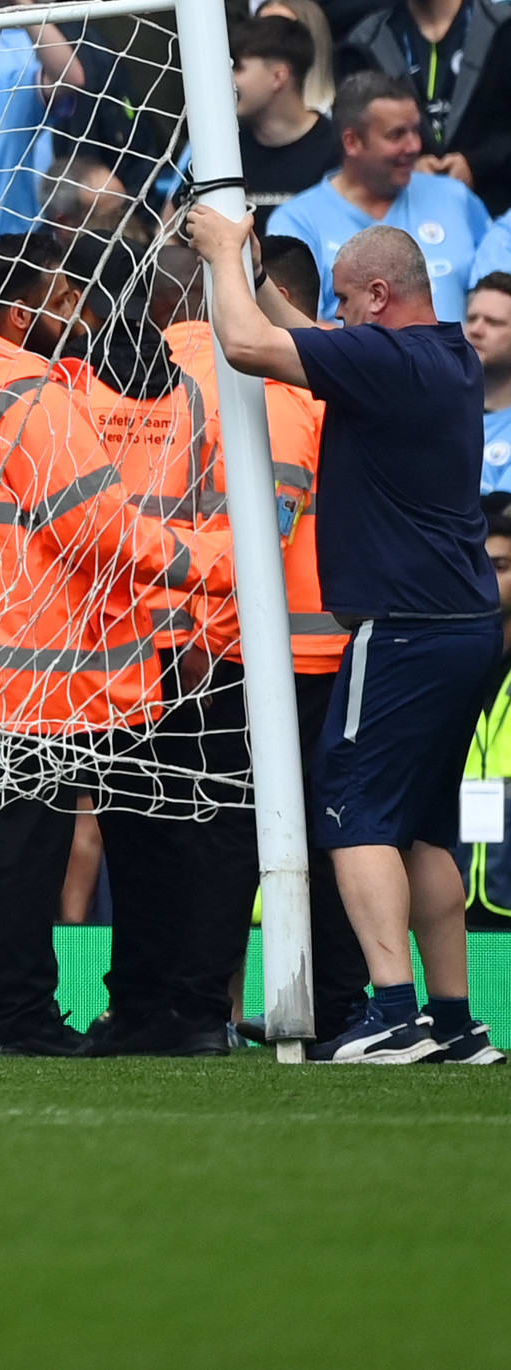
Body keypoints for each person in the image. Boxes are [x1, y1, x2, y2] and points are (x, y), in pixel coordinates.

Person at [184, 198, 506, 1061]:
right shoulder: (444, 355)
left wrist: (218, 252)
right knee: (423, 829)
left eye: (342, 298)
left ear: (376, 295)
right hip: (464, 624)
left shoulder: (390, 362)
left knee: (354, 816)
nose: (332, 314)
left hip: (402, 628)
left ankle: (392, 1012)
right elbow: (309, 336)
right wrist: (252, 268)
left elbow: (250, 346)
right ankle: (453, 1022)